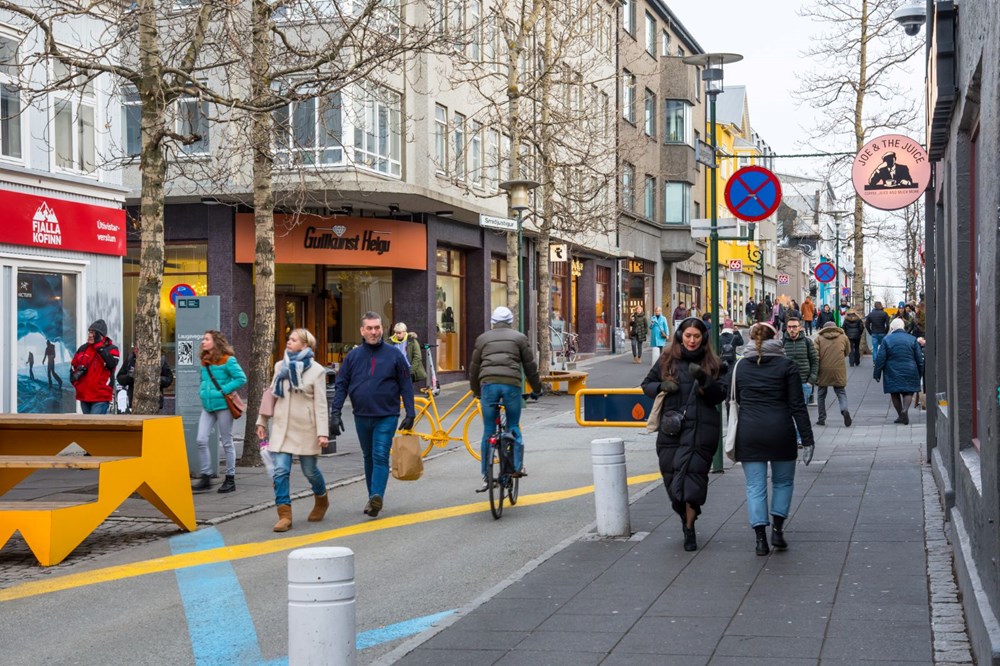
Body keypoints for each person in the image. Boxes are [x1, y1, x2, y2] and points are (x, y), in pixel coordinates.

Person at [640, 317, 726, 552]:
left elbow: (720, 395)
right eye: (688, 336)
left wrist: (704, 380)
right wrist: (661, 386)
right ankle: (684, 515)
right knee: (673, 482)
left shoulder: (713, 363)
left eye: (696, 336)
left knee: (693, 483)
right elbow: (646, 385)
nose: (692, 340)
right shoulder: (667, 360)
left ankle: (689, 528)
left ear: (703, 338)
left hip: (702, 431)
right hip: (672, 431)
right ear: (680, 336)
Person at [731, 322, 814, 555]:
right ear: (775, 338)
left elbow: (733, 399)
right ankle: (777, 530)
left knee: (755, 486)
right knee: (783, 482)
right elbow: (797, 405)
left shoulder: (740, 367)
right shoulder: (787, 366)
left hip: (750, 432)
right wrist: (807, 439)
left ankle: (760, 539)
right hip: (781, 431)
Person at [330, 312, 415, 518]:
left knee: (379, 455)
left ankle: (377, 495)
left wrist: (410, 412)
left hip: (387, 415)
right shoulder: (353, 356)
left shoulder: (394, 355)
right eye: (369, 328)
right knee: (368, 456)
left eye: (377, 328)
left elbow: (405, 384)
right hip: (361, 416)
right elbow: (341, 385)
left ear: (382, 329)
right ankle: (372, 499)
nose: (374, 332)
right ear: (362, 331)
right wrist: (335, 413)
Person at [256, 328, 330, 532]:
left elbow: (321, 404)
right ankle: (284, 514)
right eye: (289, 339)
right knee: (280, 470)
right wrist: (262, 421)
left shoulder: (317, 370)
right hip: (282, 427)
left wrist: (323, 433)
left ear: (305, 345)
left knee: (310, 471)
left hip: (307, 429)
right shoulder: (280, 365)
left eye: (294, 339)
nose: (289, 341)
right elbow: (271, 394)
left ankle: (322, 499)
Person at [470, 306, 543, 489]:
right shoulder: (519, 338)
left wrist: (476, 391)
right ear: (511, 322)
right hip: (511, 385)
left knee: (488, 430)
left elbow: (474, 368)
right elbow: (530, 366)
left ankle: (486, 476)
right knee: (513, 425)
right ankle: (517, 466)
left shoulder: (482, 338)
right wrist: (536, 389)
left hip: (488, 386)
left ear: (493, 322)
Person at [192, 330, 246, 493]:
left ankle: (230, 479)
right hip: (208, 406)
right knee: (201, 439)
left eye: (207, 339)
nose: (203, 341)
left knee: (227, 441)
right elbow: (203, 380)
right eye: (203, 339)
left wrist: (224, 390)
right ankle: (206, 476)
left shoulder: (228, 360)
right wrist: (202, 392)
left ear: (216, 342)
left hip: (223, 405)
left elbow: (241, 378)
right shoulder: (205, 360)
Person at [873, 318, 924, 425]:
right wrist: (920, 372)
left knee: (894, 392)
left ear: (892, 328)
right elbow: (919, 358)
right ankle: (905, 409)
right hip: (910, 369)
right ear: (903, 327)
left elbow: (880, 358)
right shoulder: (912, 339)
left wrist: (877, 374)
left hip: (892, 370)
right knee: (908, 391)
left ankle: (901, 415)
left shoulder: (887, 340)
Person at [70, 319, 120, 414]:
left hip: (101, 396)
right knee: (87, 423)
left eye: (93, 333)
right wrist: (76, 382)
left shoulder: (111, 349)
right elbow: (73, 366)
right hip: (84, 396)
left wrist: (99, 347)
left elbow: (112, 363)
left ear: (101, 335)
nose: (90, 335)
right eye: (89, 332)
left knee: (93, 422)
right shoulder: (83, 348)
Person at [815, 321, 852, 427]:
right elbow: (847, 352)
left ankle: (821, 418)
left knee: (821, 395)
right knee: (841, 392)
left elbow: (815, 355)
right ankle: (844, 410)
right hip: (838, 369)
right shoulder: (843, 337)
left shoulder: (819, 339)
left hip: (823, 370)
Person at [116, 346, 175, 412]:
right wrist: (130, 377)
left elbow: (169, 379)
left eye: (139, 349)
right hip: (135, 402)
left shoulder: (158, 359)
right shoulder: (130, 359)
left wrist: (155, 379)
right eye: (135, 349)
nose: (136, 351)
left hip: (153, 401)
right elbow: (120, 378)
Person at [782, 317, 818, 409]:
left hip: (804, 383)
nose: (791, 329)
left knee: (801, 411)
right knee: (786, 412)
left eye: (794, 327)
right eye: (789, 327)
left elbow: (815, 361)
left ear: (800, 328)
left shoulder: (807, 342)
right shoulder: (781, 343)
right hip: (786, 384)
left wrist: (811, 380)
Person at [388, 322, 427, 387]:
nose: (397, 335)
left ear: (404, 332)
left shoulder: (412, 341)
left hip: (408, 370)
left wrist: (411, 371)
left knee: (407, 389)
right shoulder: (390, 342)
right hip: (396, 371)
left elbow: (417, 357)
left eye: (399, 333)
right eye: (396, 333)